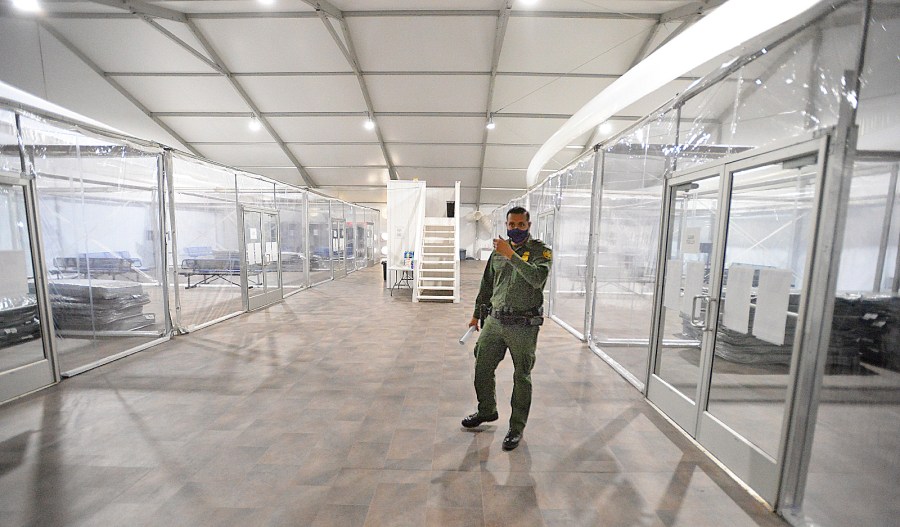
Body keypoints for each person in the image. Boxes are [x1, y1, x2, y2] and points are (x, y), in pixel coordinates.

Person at [462, 206, 552, 451]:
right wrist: (476, 315)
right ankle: (487, 410)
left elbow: (536, 279)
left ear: (529, 225)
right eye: (511, 225)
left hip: (523, 325)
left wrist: (511, 254)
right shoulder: (497, 252)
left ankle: (516, 428)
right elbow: (487, 285)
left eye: (520, 225)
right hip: (495, 321)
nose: (515, 229)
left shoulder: (540, 251)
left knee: (521, 376)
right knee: (482, 366)